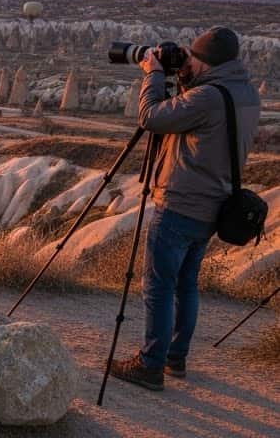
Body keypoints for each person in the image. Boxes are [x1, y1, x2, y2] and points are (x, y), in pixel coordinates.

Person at [111, 27, 261, 391]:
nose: (187, 61)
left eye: (192, 58)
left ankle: (149, 364)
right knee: (185, 284)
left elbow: (151, 118)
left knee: (159, 286)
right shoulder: (245, 93)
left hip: (181, 202)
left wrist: (155, 74)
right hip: (213, 205)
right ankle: (175, 357)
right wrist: (184, 79)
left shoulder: (208, 97)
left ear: (205, 60)